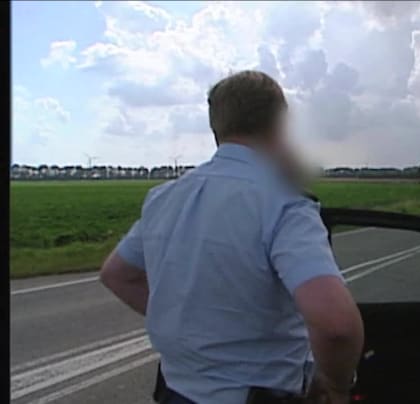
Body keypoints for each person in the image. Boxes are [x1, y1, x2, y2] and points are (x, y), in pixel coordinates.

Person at [99, 71, 364, 404]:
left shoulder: (164, 198)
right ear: (280, 122)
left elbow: (117, 274)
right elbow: (336, 325)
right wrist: (337, 386)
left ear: (216, 127)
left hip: (175, 394)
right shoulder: (284, 204)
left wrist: (195, 332)